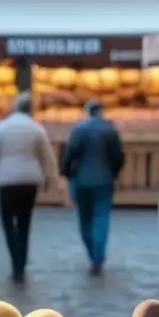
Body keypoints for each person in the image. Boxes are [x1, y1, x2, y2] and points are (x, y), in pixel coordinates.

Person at [0, 93, 58, 283]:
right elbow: (47, 157)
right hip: (29, 180)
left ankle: (15, 260)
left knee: (8, 223)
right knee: (25, 222)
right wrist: (52, 179)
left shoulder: (2, 127)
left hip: (7, 180)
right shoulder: (36, 128)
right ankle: (22, 263)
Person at [61, 100, 124, 274]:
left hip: (82, 180)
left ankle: (92, 253)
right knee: (102, 218)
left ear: (87, 111)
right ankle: (98, 256)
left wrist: (66, 174)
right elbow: (118, 156)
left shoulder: (79, 129)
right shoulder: (110, 129)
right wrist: (113, 174)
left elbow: (70, 154)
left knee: (84, 220)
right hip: (104, 180)